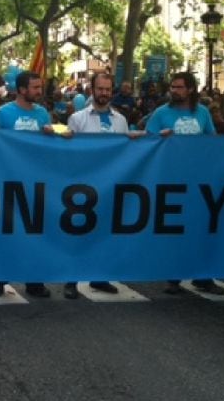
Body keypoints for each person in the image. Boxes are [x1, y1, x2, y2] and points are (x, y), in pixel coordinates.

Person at [145, 72, 224, 296]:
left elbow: (213, 141)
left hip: (199, 181)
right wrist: (160, 137)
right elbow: (147, 142)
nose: (174, 90)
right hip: (171, 180)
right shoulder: (161, 113)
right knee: (175, 230)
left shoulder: (202, 113)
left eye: (179, 87)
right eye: (172, 87)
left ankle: (203, 276)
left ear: (191, 89)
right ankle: (174, 277)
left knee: (201, 229)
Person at [0, 71, 66, 299]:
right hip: (9, 182)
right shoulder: (4, 113)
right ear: (22, 90)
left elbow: (48, 149)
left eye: (40, 87)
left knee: (35, 232)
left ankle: (34, 281)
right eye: (35, 87)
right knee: (5, 232)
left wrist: (54, 135)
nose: (40, 92)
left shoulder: (42, 114)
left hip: (36, 183)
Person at [63, 73, 138, 299]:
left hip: (112, 184)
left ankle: (100, 277)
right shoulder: (77, 119)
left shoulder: (121, 120)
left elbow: (126, 151)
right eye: (100, 88)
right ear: (92, 90)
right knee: (78, 233)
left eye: (108, 89)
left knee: (105, 232)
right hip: (84, 186)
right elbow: (70, 153)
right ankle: (71, 280)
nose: (104, 93)